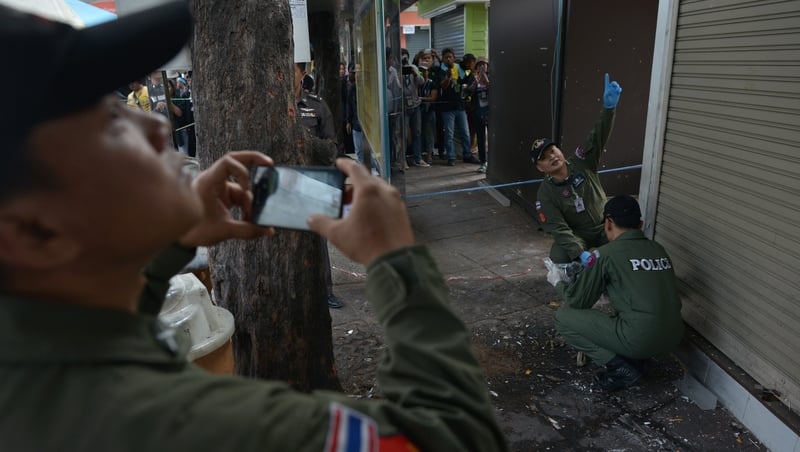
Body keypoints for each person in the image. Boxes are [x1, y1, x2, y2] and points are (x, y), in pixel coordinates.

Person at [0, 3, 508, 451]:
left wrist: (168, 246)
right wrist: (395, 260)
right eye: (109, 120)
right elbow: (458, 436)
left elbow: (98, 337)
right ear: (33, 233)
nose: (155, 124)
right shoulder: (201, 426)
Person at [546, 196, 685, 392]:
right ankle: (638, 359)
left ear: (609, 223)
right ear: (641, 224)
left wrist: (558, 281)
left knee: (563, 318)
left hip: (641, 339)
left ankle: (620, 368)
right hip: (673, 337)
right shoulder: (658, 249)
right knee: (628, 317)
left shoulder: (605, 254)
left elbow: (578, 301)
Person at [532, 73, 622, 264]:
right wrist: (579, 253)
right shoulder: (545, 194)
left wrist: (609, 109)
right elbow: (558, 229)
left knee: (627, 246)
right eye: (545, 158)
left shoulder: (582, 162)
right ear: (540, 168)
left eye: (553, 151)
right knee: (559, 256)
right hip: (579, 233)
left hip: (606, 224)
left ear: (560, 150)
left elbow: (597, 136)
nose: (552, 157)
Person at [294, 61, 343, 309]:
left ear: (302, 75)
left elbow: (332, 147)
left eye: (291, 70)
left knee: (317, 241)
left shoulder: (315, 105)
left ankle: (325, 291)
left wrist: (306, 145)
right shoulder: (266, 107)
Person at [437, 48, 481, 166]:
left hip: (460, 106)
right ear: (443, 58)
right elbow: (443, 86)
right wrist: (448, 77)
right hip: (447, 107)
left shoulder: (458, 68)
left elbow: (464, 81)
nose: (448, 59)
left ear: (454, 57)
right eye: (446, 57)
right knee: (449, 133)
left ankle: (467, 154)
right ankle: (451, 157)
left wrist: (472, 74)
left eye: (450, 57)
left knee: (465, 132)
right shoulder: (441, 69)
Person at [470, 56, 490, 173]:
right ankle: (483, 162)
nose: (482, 67)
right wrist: (475, 82)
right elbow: (468, 91)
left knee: (492, 138)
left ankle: (493, 161)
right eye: (479, 65)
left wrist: (485, 77)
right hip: (478, 111)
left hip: (490, 112)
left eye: (484, 64)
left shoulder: (491, 76)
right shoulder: (473, 77)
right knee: (480, 138)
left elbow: (493, 88)